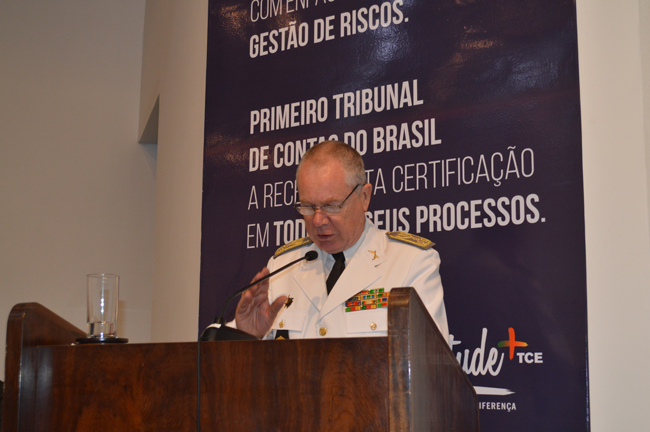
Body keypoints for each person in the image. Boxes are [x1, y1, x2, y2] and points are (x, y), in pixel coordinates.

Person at [235, 140, 449, 342]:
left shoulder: (412, 263)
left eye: (331, 206)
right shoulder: (282, 267)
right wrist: (249, 336)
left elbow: (429, 361)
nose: (318, 221)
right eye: (308, 207)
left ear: (364, 197)